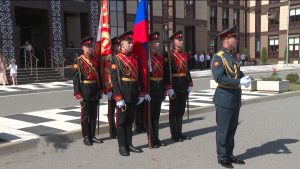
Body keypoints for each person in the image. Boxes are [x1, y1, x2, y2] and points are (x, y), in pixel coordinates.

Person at [211, 26, 251, 168]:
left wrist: (244, 77)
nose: (236, 40)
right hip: (224, 98)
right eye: (234, 38)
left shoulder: (232, 56)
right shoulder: (218, 57)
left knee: (232, 129)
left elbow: (235, 73)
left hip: (234, 98)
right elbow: (220, 78)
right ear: (227, 39)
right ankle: (222, 157)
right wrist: (238, 81)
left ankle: (229, 154)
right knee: (223, 129)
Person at [110, 31, 150, 156]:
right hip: (123, 93)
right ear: (122, 45)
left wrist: (141, 93)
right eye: (129, 43)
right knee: (121, 121)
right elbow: (115, 81)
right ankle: (122, 145)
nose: (131, 44)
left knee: (129, 121)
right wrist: (118, 97)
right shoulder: (115, 59)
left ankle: (129, 144)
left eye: (131, 42)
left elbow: (138, 77)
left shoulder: (134, 58)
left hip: (133, 93)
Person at [73, 36, 104, 146]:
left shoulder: (95, 60)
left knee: (94, 115)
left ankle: (92, 135)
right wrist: (78, 94)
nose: (90, 48)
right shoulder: (79, 60)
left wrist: (100, 90)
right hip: (85, 90)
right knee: (85, 115)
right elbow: (76, 78)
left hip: (95, 89)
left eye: (91, 46)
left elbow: (99, 76)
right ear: (83, 48)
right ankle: (86, 136)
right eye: (88, 46)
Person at [165, 31, 193, 142]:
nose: (181, 41)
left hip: (184, 84)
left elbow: (187, 70)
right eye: (179, 40)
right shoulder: (169, 54)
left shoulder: (184, 54)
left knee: (181, 110)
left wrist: (190, 82)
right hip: (175, 84)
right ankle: (174, 134)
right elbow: (167, 72)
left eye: (182, 40)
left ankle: (180, 132)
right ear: (173, 41)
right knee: (174, 110)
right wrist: (169, 87)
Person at [147, 31, 167, 148]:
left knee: (156, 116)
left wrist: (164, 89)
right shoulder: (147, 57)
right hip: (151, 87)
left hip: (159, 88)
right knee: (150, 115)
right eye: (155, 42)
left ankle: (157, 138)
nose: (158, 44)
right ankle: (151, 138)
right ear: (149, 43)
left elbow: (163, 74)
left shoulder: (159, 57)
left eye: (158, 41)